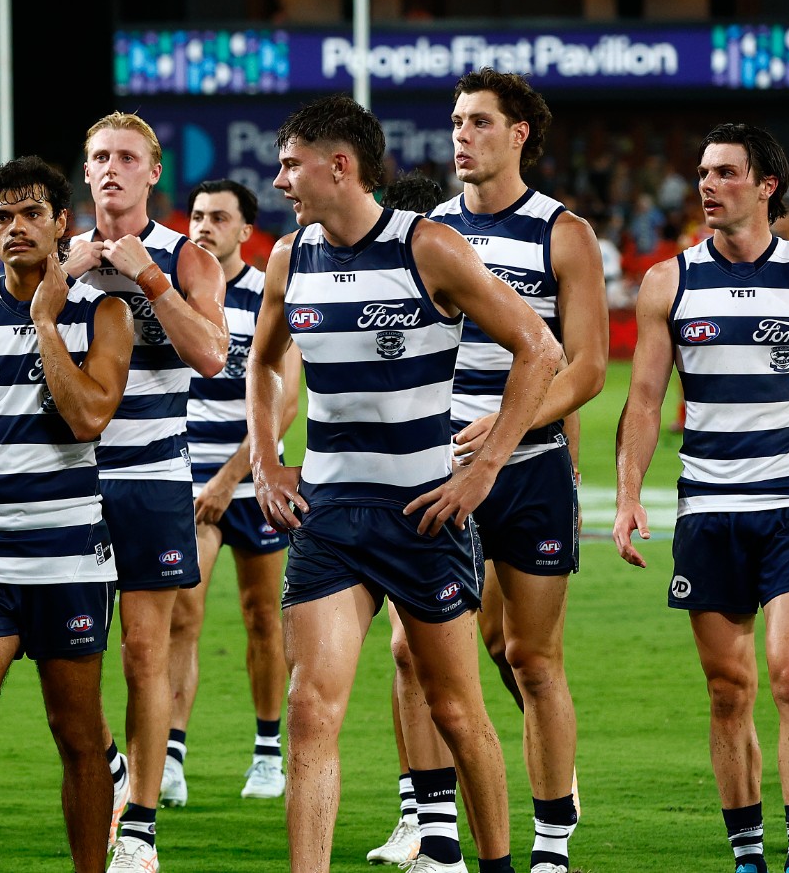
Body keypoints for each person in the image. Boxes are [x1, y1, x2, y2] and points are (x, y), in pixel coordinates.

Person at [246, 94, 562, 873]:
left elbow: (539, 348)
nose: (279, 181)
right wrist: (263, 459)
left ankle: (495, 865)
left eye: (290, 165)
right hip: (328, 515)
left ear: (338, 166)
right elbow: (260, 363)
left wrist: (485, 467)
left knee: (456, 711)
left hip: (422, 515)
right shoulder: (289, 257)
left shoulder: (428, 247)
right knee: (308, 710)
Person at [614, 124, 789, 873]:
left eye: (726, 172)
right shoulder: (669, 281)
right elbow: (643, 400)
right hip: (707, 510)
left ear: (765, 186)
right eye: (703, 172)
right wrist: (628, 495)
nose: (707, 185)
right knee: (729, 691)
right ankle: (748, 854)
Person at [375, 69, 606, 873]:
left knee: (528, 659)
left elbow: (585, 368)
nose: (460, 136)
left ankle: (551, 843)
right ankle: (437, 836)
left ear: (518, 134)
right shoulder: (425, 233)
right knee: (410, 650)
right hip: (438, 467)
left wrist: (512, 426)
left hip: (528, 467)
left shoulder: (562, 233)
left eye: (478, 121)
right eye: (455, 121)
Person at [0, 155, 133, 873]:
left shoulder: (103, 312)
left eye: (31, 213)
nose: (15, 226)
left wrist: (44, 321)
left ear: (61, 223)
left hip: (68, 561)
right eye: (1, 216)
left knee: (77, 735)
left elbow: (89, 417)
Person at [63, 112, 228, 873]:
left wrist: (149, 280)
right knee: (65, 655)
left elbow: (212, 356)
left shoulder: (186, 257)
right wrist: (64, 278)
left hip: (153, 478)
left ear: (153, 172)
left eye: (127, 157)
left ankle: (138, 825)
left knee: (142, 654)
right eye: (100, 156)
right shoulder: (60, 259)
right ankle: (113, 762)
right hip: (67, 478)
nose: (111, 168)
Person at [159, 178, 300, 809]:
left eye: (219, 217)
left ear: (246, 230)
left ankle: (268, 753)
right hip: (189, 485)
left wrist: (228, 478)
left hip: (253, 482)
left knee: (262, 616)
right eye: (196, 215)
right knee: (182, 616)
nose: (203, 227)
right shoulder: (172, 295)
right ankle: (170, 758)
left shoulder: (270, 295)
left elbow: (284, 403)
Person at [365, 169, 451, 868]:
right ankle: (422, 818)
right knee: (406, 651)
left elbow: (548, 361)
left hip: (489, 479)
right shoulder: (379, 292)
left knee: (515, 653)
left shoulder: (463, 274)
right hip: (409, 486)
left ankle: (551, 796)